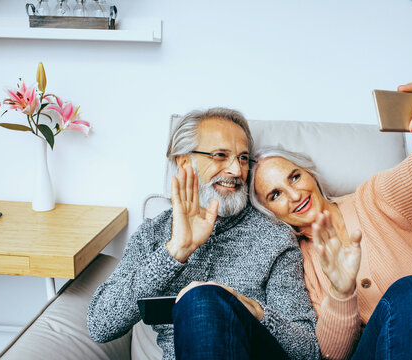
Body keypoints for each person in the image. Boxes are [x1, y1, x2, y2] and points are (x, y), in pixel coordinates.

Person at [249, 73, 412, 360]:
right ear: (268, 212)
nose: (294, 195)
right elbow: (332, 355)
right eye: (275, 195)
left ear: (309, 173)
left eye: (295, 177)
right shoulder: (295, 263)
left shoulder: (378, 198)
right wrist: (341, 291)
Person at [87, 108, 320, 360]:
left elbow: (308, 349)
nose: (236, 170)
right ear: (185, 162)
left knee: (203, 299)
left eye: (243, 158)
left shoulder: (272, 235)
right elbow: (100, 324)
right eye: (220, 156)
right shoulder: (153, 234)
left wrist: (253, 310)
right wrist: (175, 252)